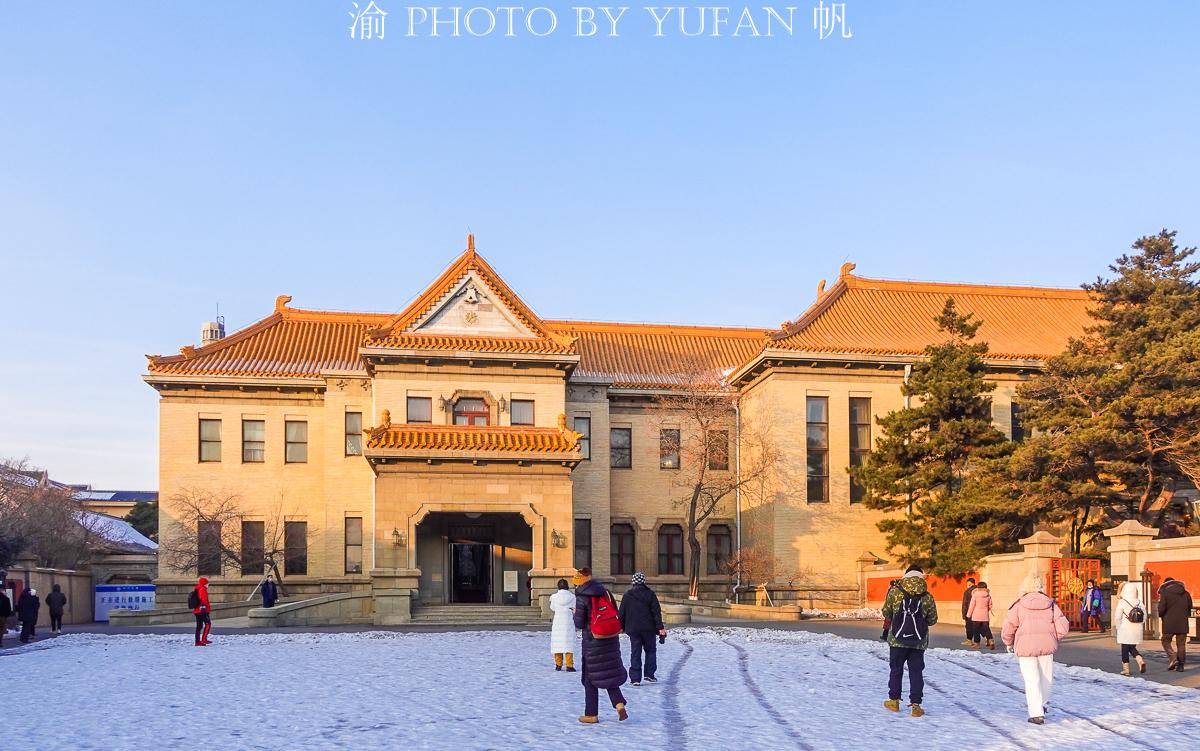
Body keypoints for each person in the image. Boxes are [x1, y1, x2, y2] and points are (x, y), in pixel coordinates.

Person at [1001, 574, 1070, 725]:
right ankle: (1042, 703)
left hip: (1025, 647)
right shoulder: (1051, 604)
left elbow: (1009, 627)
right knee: (1046, 677)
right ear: (1041, 587)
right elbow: (1063, 626)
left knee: (1031, 680)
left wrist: (1009, 642)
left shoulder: (1018, 605)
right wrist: (1053, 637)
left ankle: (1036, 713)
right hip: (1046, 645)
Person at [572, 567, 628, 724]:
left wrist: (575, 613)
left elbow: (579, 623)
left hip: (592, 643)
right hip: (610, 639)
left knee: (590, 679)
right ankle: (619, 704)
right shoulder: (606, 592)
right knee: (608, 674)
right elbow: (614, 613)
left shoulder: (582, 597)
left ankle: (591, 714)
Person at [881, 565, 938, 717]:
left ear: (906, 576)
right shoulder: (927, 596)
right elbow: (932, 620)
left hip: (897, 640)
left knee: (896, 669)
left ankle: (893, 701)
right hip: (918, 642)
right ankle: (916, 706)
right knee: (916, 672)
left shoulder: (895, 592)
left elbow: (886, 612)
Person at [619, 572, 666, 686]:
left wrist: (620, 627)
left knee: (635, 652)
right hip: (648, 629)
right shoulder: (650, 594)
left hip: (633, 629)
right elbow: (656, 613)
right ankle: (649, 674)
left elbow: (621, 613)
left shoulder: (627, 595)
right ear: (644, 582)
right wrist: (660, 628)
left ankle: (635, 678)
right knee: (650, 651)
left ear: (633, 582)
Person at [1157, 577, 1193, 672]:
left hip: (1169, 623)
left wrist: (1161, 615)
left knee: (1165, 641)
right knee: (1181, 645)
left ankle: (1173, 658)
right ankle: (1180, 666)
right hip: (1182, 623)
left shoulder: (1165, 593)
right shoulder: (1186, 593)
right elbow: (1190, 607)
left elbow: (1161, 609)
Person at [1113, 580, 1146, 676]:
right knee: (1131, 647)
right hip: (1137, 629)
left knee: (1124, 648)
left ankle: (1126, 670)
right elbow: (1144, 616)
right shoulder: (1140, 602)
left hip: (1125, 628)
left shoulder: (1123, 602)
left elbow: (1118, 616)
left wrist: (1118, 627)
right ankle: (1140, 660)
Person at [549, 578, 577, 672]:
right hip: (568, 621)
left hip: (558, 621)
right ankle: (569, 665)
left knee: (557, 643)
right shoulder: (572, 597)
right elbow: (574, 608)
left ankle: (558, 664)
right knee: (568, 643)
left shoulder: (554, 597)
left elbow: (552, 608)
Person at [967, 581, 995, 650]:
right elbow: (990, 605)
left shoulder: (975, 595)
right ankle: (991, 640)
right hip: (985, 616)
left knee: (976, 630)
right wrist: (986, 610)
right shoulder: (988, 595)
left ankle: (977, 644)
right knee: (986, 629)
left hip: (976, 616)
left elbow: (972, 605)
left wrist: (968, 615)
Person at [191, 576, 212, 647]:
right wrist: (208, 608)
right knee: (208, 624)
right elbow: (204, 600)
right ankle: (204, 639)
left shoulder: (198, 588)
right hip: (202, 610)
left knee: (199, 626)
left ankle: (197, 641)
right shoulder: (202, 589)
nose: (208, 585)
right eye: (207, 583)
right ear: (204, 583)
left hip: (197, 610)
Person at [960, 577, 978, 646]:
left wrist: (964, 614)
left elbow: (965, 603)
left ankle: (969, 640)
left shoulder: (967, 591)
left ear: (969, 583)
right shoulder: (979, 591)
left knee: (969, 626)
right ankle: (988, 639)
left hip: (969, 612)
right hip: (978, 611)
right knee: (980, 626)